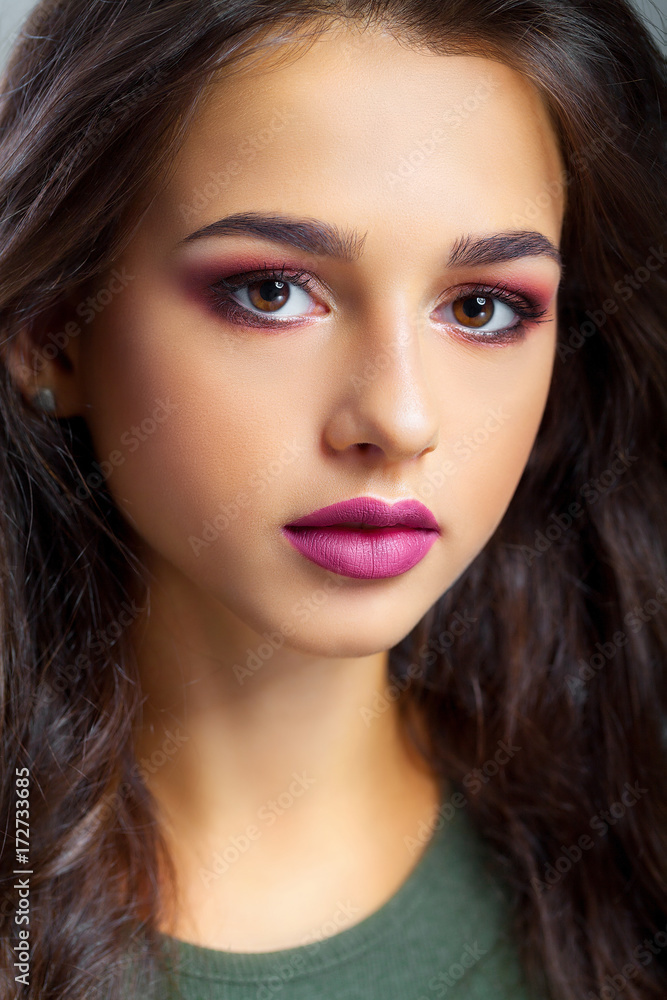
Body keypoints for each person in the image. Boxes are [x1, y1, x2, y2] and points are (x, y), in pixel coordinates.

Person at [0, 1, 665, 998]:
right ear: (52, 331)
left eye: (481, 308)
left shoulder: (637, 850)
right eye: (272, 291)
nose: (397, 418)